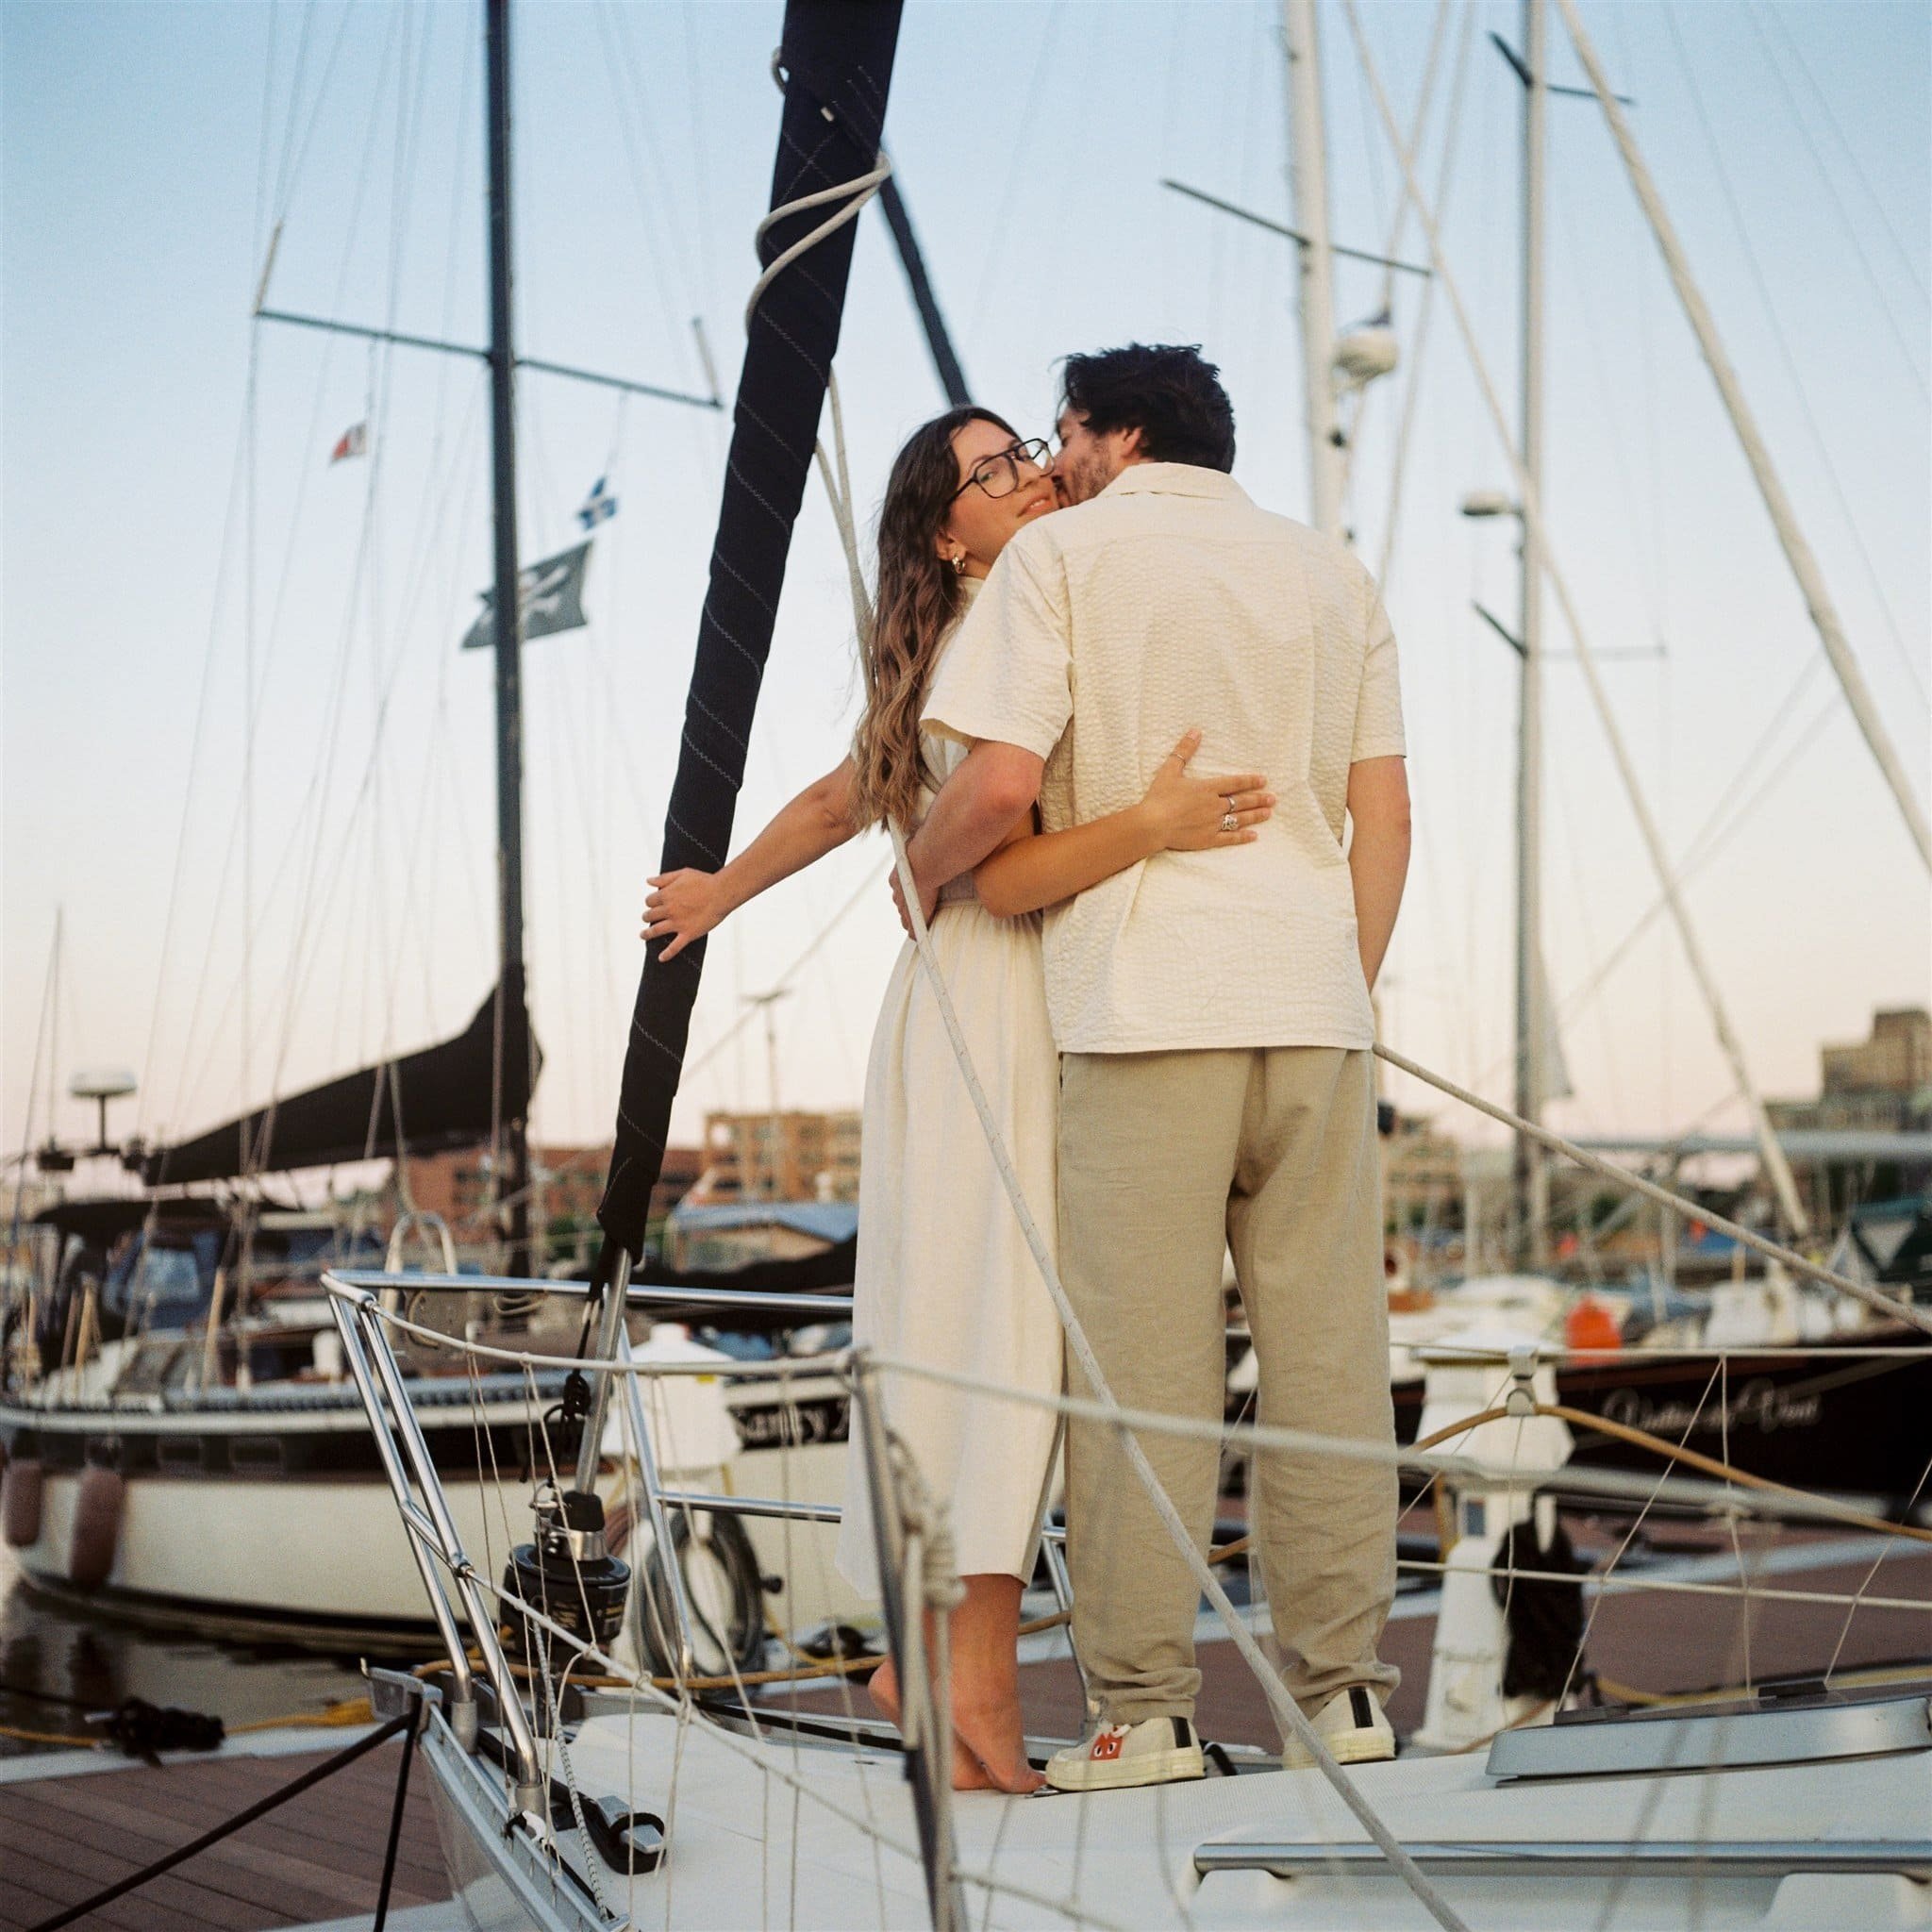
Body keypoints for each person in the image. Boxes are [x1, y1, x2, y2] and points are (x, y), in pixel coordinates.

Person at [641, 404, 1274, 1792]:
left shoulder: (985, 623)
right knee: (997, 1340)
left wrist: (727, 892)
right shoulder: (1006, 623)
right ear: (947, 535)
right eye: (996, 472)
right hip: (994, 998)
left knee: (964, 1333)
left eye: (1026, 455)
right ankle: (964, 1681)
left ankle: (938, 1667)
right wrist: (1147, 829)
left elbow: (846, 796)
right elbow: (972, 810)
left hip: (972, 1002)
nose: (1032, 477)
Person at [908, 343, 1412, 1792]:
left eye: (1061, 433)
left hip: (1144, 1016)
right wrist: (1337, 979)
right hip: (1314, 1007)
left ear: (1115, 434)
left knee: (1143, 1376)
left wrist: (923, 867)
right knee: (1329, 1368)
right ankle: (1345, 1700)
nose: (1053, 461)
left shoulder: (1059, 561)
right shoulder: (1333, 574)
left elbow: (1001, 786)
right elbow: (1384, 819)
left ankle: (1143, 1715)